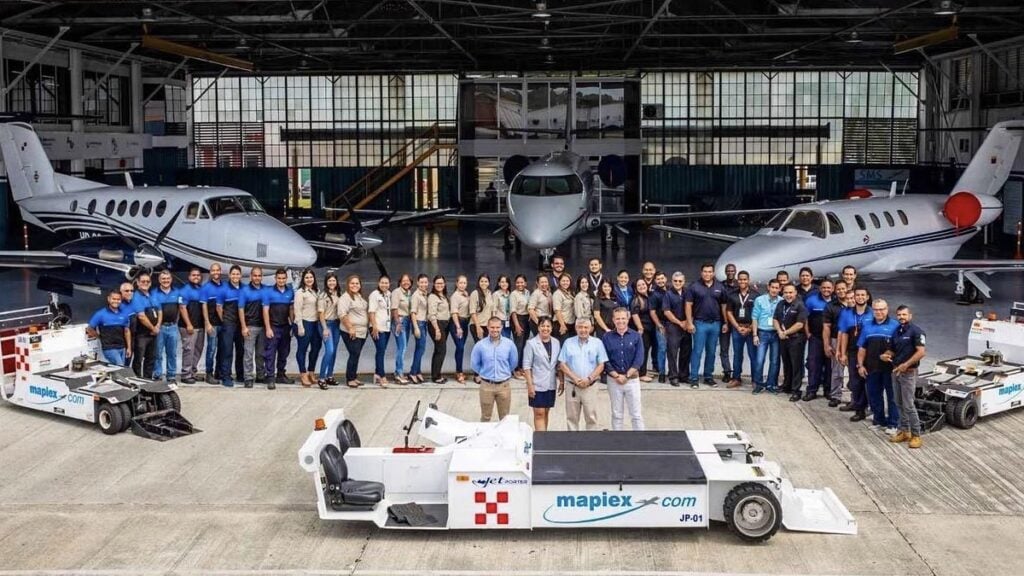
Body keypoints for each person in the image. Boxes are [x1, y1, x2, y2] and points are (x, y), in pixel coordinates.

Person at [857, 298, 900, 435]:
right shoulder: (867, 325)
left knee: (892, 397)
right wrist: (860, 365)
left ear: (887, 310)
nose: (879, 312)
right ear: (872, 311)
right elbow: (862, 348)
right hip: (872, 367)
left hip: (890, 369)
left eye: (882, 309)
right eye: (876, 309)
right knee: (874, 395)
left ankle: (893, 424)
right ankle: (879, 421)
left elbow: (899, 347)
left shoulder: (895, 325)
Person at [887, 305, 926, 448]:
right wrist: (886, 355)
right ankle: (904, 431)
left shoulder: (917, 332)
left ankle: (916, 435)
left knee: (909, 405)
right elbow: (892, 349)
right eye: (899, 315)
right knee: (898, 403)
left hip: (909, 373)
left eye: (904, 314)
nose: (901, 317)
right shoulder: (896, 331)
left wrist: (906, 364)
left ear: (910, 316)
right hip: (896, 371)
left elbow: (921, 352)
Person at [558, 318, 607, 431]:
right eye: (580, 327)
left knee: (591, 418)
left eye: (586, 327)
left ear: (591, 328)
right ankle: (573, 445)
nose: (583, 330)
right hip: (572, 386)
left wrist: (589, 379)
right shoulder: (568, 342)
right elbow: (562, 364)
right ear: (576, 328)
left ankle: (590, 445)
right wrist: (575, 378)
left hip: (590, 386)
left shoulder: (597, 343)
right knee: (572, 418)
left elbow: (601, 365)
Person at [601, 307, 645, 431]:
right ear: (613, 320)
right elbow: (605, 359)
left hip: (632, 381)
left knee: (636, 414)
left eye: (623, 318)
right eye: (618, 319)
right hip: (614, 380)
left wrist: (627, 375)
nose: (621, 321)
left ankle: (641, 442)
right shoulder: (607, 337)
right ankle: (617, 442)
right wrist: (616, 375)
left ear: (628, 319)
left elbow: (639, 358)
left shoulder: (636, 336)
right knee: (617, 414)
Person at [684, 263, 727, 388]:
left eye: (710, 272)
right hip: (699, 324)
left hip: (715, 324)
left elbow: (724, 306)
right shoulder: (694, 286)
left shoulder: (720, 287)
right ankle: (694, 378)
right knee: (697, 351)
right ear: (701, 272)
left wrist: (725, 322)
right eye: (705, 271)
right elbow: (688, 305)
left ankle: (708, 377)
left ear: (713, 273)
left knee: (711, 352)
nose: (707, 274)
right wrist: (689, 322)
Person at [471, 317, 518, 422]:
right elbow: (475, 364)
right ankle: (484, 438)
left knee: (505, 418)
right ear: (487, 327)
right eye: (492, 327)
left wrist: (504, 372)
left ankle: (503, 438)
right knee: (485, 417)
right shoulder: (480, 345)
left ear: (501, 327)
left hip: (504, 386)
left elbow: (513, 363)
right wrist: (485, 373)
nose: (495, 330)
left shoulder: (509, 344)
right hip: (486, 386)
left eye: (497, 327)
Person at [837, 288, 872, 421]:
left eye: (863, 295)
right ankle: (859, 409)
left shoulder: (873, 313)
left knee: (870, 382)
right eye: (857, 295)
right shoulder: (847, 313)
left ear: (867, 297)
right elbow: (844, 333)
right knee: (856, 382)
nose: (860, 297)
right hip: (853, 351)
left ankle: (873, 408)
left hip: (870, 352)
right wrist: (842, 353)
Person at [523, 317, 561, 431]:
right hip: (537, 384)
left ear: (551, 328)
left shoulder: (556, 342)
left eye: (548, 326)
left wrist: (562, 381)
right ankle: (540, 440)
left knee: (546, 411)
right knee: (539, 413)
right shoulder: (531, 343)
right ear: (538, 327)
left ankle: (545, 436)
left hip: (550, 383)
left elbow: (558, 364)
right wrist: (530, 385)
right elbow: (526, 366)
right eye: (543, 326)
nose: (545, 328)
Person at [774, 283, 808, 402]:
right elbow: (775, 319)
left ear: (795, 293)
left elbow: (799, 324)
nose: (788, 295)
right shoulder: (780, 304)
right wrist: (779, 332)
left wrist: (785, 332)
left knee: (796, 365)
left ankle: (796, 390)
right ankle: (786, 386)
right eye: (786, 293)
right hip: (783, 338)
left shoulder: (800, 306)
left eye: (790, 292)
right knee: (786, 363)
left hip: (796, 339)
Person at [262, 269, 294, 386]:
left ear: (286, 279)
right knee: (270, 353)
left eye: (283, 278)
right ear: (275, 278)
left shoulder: (290, 292)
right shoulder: (269, 292)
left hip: (285, 327)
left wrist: (293, 325)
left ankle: (281, 375)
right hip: (273, 327)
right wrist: (268, 328)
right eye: (279, 278)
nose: (281, 280)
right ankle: (270, 377)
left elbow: (291, 309)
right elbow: (265, 311)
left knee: (284, 352)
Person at [802, 278, 834, 400]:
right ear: (820, 288)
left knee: (830, 365)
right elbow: (805, 318)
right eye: (824, 287)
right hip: (815, 338)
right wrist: (808, 333)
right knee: (814, 365)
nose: (826, 290)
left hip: (832, 338)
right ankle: (812, 390)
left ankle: (828, 390)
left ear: (833, 289)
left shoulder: (836, 301)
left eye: (829, 288)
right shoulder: (811, 300)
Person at [725, 270, 758, 389]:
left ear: (748, 280)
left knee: (753, 355)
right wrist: (737, 327)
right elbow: (729, 312)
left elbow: (758, 314)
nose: (742, 281)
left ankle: (756, 380)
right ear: (737, 280)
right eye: (740, 279)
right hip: (737, 328)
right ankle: (736, 378)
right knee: (737, 355)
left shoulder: (756, 295)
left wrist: (750, 328)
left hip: (751, 329)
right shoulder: (732, 294)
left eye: (745, 279)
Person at [239, 267, 269, 388]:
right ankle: (248, 377)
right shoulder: (245, 290)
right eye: (255, 275)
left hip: (262, 327)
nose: (257, 278)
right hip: (250, 326)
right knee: (248, 353)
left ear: (262, 277)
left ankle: (261, 376)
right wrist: (243, 326)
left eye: (259, 276)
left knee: (261, 353)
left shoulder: (265, 290)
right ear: (251, 276)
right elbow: (240, 309)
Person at [215, 265, 244, 388]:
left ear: (241, 275)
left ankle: (240, 375)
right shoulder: (223, 289)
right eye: (234, 274)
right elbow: (219, 308)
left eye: (238, 274)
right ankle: (225, 376)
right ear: (229, 275)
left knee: (241, 350)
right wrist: (225, 321)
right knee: (227, 351)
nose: (236, 276)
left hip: (241, 324)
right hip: (228, 324)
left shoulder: (245, 289)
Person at [339, 274, 370, 388]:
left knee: (356, 354)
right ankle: (350, 378)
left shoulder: (359, 296)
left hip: (362, 331)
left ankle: (354, 376)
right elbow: (342, 314)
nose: (355, 285)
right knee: (354, 353)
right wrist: (350, 328)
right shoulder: (345, 298)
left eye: (357, 283)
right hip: (351, 331)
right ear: (348, 285)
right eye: (352, 283)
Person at [751, 279, 782, 394]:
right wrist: (755, 335)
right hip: (762, 333)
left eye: (776, 288)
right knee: (759, 360)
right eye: (772, 287)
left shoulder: (782, 301)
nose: (774, 290)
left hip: (776, 333)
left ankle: (771, 384)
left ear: (780, 289)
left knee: (774, 361)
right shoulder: (759, 300)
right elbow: (754, 318)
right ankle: (758, 384)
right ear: (768, 287)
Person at [151, 270, 182, 382]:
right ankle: (158, 374)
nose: (166, 281)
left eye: (168, 278)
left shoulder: (177, 292)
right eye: (163, 279)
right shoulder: (154, 293)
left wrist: (176, 321)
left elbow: (180, 309)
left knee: (172, 353)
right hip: (160, 327)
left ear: (171, 279)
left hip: (173, 327)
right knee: (158, 353)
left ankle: (171, 375)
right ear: (159, 280)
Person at [87, 289, 132, 366]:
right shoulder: (100, 314)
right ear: (108, 299)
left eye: (118, 299)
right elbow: (89, 329)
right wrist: (99, 337)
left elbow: (127, 331)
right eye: (114, 299)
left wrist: (129, 348)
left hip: (122, 347)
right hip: (109, 348)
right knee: (120, 367)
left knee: (121, 368)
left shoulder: (124, 314)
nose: (116, 301)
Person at [822, 280, 849, 407]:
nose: (841, 291)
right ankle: (835, 395)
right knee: (837, 370)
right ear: (834, 290)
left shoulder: (854, 303)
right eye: (838, 289)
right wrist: (827, 344)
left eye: (843, 289)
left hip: (854, 341)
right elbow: (826, 327)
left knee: (855, 370)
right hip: (836, 339)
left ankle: (857, 398)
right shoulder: (830, 306)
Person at [294, 268, 322, 388]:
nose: (309, 279)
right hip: (305, 323)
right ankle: (303, 373)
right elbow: (297, 309)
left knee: (316, 348)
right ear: (303, 279)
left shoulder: (317, 291)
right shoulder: (300, 292)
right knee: (302, 349)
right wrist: (300, 326)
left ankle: (311, 371)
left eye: (311, 277)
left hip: (316, 324)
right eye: (307, 278)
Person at [663, 272, 691, 386]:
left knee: (686, 352)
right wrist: (680, 323)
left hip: (686, 326)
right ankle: (673, 377)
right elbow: (667, 312)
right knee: (672, 353)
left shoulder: (688, 293)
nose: (677, 283)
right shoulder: (668, 294)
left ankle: (683, 376)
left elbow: (692, 307)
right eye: (675, 281)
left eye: (680, 281)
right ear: (672, 281)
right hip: (673, 326)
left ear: (684, 282)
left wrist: (688, 322)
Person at [178, 268, 205, 384]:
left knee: (198, 350)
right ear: (189, 277)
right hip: (188, 326)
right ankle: (185, 374)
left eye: (198, 275)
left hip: (200, 326)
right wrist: (189, 324)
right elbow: (182, 308)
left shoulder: (201, 289)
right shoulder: (185, 290)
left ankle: (192, 373)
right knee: (189, 350)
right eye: (193, 275)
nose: (196, 277)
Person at [131, 273, 159, 380]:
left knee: (151, 358)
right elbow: (141, 316)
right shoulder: (136, 296)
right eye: (143, 281)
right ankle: (137, 380)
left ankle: (148, 380)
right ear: (137, 283)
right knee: (138, 359)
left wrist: (157, 327)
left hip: (153, 334)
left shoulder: (151, 295)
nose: (145, 283)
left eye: (147, 281)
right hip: (141, 335)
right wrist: (153, 328)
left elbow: (158, 311)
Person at [316, 272, 341, 388]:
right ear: (326, 282)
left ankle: (329, 375)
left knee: (334, 351)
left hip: (336, 324)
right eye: (329, 281)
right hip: (326, 324)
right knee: (329, 350)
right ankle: (321, 377)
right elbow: (320, 313)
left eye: (334, 281)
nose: (332, 283)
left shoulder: (338, 294)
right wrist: (325, 328)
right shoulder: (323, 296)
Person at [200, 263, 224, 383]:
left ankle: (218, 373)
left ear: (220, 271)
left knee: (222, 350)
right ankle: (209, 374)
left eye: (217, 270)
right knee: (211, 349)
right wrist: (207, 323)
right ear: (210, 272)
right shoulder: (206, 287)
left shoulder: (224, 286)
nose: (216, 272)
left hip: (223, 324)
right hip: (212, 324)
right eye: (213, 270)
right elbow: (203, 306)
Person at [368, 275, 392, 387]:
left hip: (386, 327)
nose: (384, 285)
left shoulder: (389, 294)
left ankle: (377, 373)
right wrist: (374, 327)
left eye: (386, 283)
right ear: (378, 283)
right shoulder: (374, 295)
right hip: (377, 328)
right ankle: (382, 376)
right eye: (382, 282)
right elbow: (371, 312)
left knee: (381, 350)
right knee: (381, 350)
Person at [630, 278, 655, 383]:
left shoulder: (649, 297)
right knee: (642, 351)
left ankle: (643, 371)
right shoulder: (636, 299)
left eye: (643, 284)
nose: (642, 286)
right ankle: (641, 374)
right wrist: (640, 327)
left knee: (646, 350)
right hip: (642, 329)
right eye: (639, 285)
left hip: (650, 329)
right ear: (636, 288)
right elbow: (634, 314)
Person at [427, 275, 451, 384]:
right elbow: (432, 314)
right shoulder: (432, 296)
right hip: (436, 324)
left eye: (441, 283)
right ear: (434, 284)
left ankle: (436, 373)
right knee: (441, 350)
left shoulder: (444, 296)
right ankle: (436, 376)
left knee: (438, 350)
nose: (439, 285)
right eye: (437, 283)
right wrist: (436, 329)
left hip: (445, 324)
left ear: (444, 284)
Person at [391, 274, 414, 384]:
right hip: (399, 321)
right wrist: (397, 323)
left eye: (408, 281)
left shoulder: (409, 293)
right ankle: (399, 373)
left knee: (403, 347)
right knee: (402, 347)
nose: (406, 282)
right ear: (400, 282)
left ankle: (398, 371)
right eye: (404, 281)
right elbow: (394, 308)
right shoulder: (396, 292)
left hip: (407, 320)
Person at [408, 274, 431, 384]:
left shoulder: (425, 294)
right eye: (421, 282)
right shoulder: (416, 295)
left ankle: (418, 371)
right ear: (417, 283)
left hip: (424, 323)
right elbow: (413, 312)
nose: (424, 284)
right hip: (418, 323)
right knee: (420, 349)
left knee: (420, 349)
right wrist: (416, 328)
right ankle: (413, 372)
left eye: (425, 282)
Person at [449, 275, 471, 383]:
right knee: (460, 347)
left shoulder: (466, 295)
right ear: (456, 284)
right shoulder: (455, 296)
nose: (463, 285)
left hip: (465, 323)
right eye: (461, 283)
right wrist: (458, 327)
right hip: (457, 323)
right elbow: (454, 313)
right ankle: (459, 372)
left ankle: (459, 370)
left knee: (460, 348)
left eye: (464, 283)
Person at [719, 263, 738, 383]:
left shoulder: (740, 284)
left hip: (737, 322)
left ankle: (737, 374)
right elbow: (721, 305)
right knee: (724, 349)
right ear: (725, 272)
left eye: (732, 270)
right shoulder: (721, 286)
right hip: (724, 322)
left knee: (737, 350)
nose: (730, 272)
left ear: (735, 271)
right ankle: (727, 372)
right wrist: (725, 322)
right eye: (728, 271)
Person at [648, 271, 669, 383]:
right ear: (655, 281)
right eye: (658, 279)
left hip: (672, 324)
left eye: (662, 278)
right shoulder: (654, 294)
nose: (660, 281)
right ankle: (661, 372)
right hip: (661, 324)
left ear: (666, 278)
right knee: (662, 349)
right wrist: (659, 325)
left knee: (672, 350)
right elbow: (652, 312)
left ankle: (672, 372)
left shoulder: (671, 290)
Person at [510, 274, 531, 376]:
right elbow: (513, 311)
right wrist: (517, 325)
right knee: (518, 345)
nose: (520, 284)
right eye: (518, 282)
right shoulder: (514, 294)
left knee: (524, 344)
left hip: (526, 319)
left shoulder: (528, 293)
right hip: (518, 319)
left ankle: (521, 366)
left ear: (525, 283)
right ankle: (515, 368)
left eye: (522, 282)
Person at [118, 282, 138, 368]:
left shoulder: (133, 304)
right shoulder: (118, 305)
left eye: (131, 290)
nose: (130, 292)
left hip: (132, 338)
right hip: (122, 341)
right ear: (121, 292)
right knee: (121, 365)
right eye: (126, 291)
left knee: (127, 363)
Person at [469, 274, 493, 342]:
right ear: (478, 282)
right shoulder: (475, 293)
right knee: (481, 347)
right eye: (481, 281)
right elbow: (472, 312)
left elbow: (490, 310)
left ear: (489, 283)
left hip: (487, 326)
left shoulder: (489, 293)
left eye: (486, 281)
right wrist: (478, 327)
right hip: (477, 325)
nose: (484, 283)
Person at [552, 273, 576, 342]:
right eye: (563, 281)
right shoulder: (557, 293)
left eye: (567, 281)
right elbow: (557, 311)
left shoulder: (570, 292)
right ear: (559, 282)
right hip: (561, 324)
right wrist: (562, 325)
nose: (565, 283)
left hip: (571, 324)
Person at [492, 275, 513, 339]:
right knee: (502, 339)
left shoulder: (510, 294)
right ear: (499, 283)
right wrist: (494, 323)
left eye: (506, 282)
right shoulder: (496, 294)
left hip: (508, 320)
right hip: (500, 321)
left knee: (507, 339)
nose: (504, 284)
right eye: (502, 282)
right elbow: (494, 309)